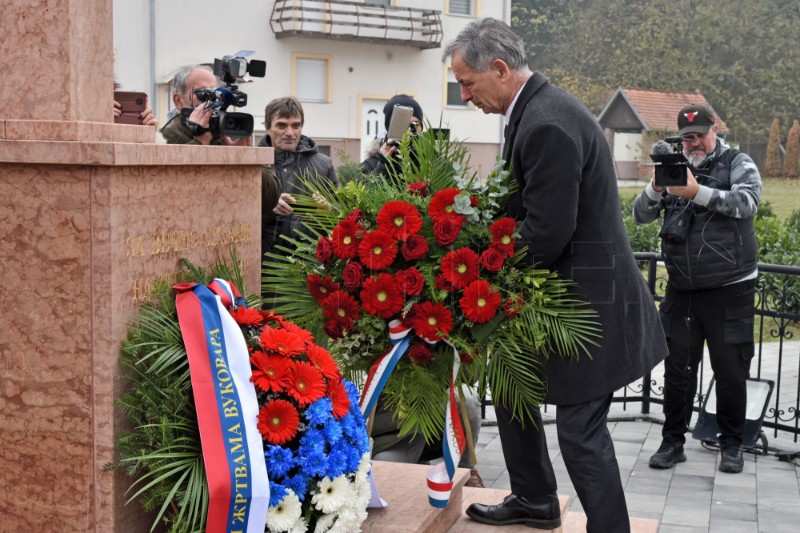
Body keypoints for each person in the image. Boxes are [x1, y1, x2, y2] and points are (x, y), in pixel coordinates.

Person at [442, 18, 667, 532]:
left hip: (587, 305)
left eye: (468, 83)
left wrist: (474, 277)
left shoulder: (546, 121)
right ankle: (535, 499)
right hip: (556, 296)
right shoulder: (534, 110)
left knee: (581, 432)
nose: (465, 94)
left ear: (499, 69)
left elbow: (545, 232)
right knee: (513, 389)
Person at [634, 104, 762, 474]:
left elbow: (747, 203)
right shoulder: (675, 169)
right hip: (682, 289)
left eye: (700, 136)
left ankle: (732, 445)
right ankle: (672, 442)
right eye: (687, 138)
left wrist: (696, 191)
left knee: (731, 372)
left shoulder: (738, 161)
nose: (694, 143)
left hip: (730, 288)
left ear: (715, 130)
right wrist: (659, 184)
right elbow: (640, 214)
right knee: (677, 370)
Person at [258, 97, 337, 259]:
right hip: (262, 262)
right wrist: (266, 203)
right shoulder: (252, 163)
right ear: (267, 127)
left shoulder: (324, 164)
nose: (290, 133)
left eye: (296, 125)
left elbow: (339, 217)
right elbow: (236, 214)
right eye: (281, 125)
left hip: (307, 264)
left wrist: (327, 209)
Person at [160, 64, 250, 146]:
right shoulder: (167, 137)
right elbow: (179, 163)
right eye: (202, 93)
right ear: (178, 100)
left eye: (215, 93)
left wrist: (234, 152)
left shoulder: (221, 130)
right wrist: (200, 140)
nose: (210, 100)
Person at [361, 94, 424, 176]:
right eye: (403, 124)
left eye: (414, 125)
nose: (409, 131)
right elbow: (365, 187)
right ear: (390, 128)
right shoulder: (371, 164)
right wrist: (383, 167)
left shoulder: (432, 161)